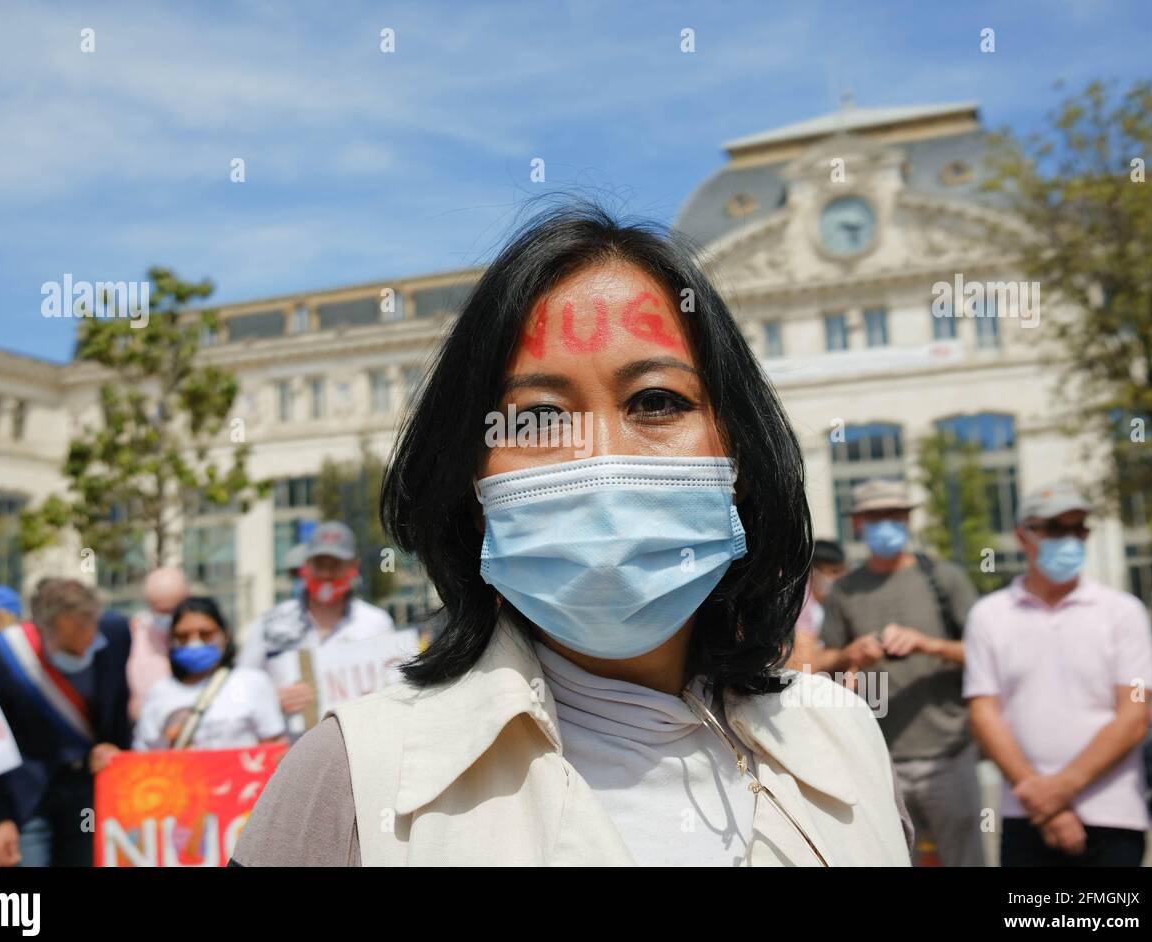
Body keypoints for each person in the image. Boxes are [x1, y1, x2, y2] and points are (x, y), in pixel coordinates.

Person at [233, 203, 912, 866]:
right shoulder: (354, 781)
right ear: (471, 489)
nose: (600, 462)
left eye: (656, 402)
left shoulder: (846, 744)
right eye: (537, 418)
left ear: (739, 460)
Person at [963, 483, 1152, 867]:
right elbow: (984, 713)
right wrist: (1044, 802)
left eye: (1078, 529)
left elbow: (1134, 713)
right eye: (1054, 529)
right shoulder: (989, 615)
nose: (1068, 540)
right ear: (1023, 535)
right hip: (1025, 812)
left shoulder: (1124, 612)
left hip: (1112, 814)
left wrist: (1057, 791)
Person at [817, 479, 985, 866]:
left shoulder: (944, 578)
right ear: (857, 523)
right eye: (874, 516)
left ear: (908, 519)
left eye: (894, 515)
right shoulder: (846, 590)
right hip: (878, 759)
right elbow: (821, 667)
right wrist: (851, 656)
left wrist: (929, 645)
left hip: (949, 753)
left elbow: (987, 654)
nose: (885, 524)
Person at [0, 578, 132, 867]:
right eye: (70, 648)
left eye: (88, 636)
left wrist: (115, 749)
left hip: (89, 790)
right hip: (28, 797)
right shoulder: (2, 654)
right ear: (41, 631)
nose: (83, 651)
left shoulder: (115, 633)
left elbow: (118, 707)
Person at [238, 521, 404, 737]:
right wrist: (273, 699)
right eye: (319, 564)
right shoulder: (272, 622)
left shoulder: (376, 623)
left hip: (356, 744)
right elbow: (241, 686)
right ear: (306, 566)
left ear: (354, 566)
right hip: (288, 748)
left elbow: (395, 686)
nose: (326, 573)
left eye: (335, 564)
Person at [134, 596, 286, 751]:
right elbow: (143, 754)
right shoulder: (159, 692)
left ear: (225, 636)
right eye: (182, 637)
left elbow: (274, 746)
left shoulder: (252, 682)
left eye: (205, 635)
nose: (194, 644)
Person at [127, 567, 189, 720]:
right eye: (161, 610)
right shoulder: (135, 635)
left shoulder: (203, 637)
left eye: (173, 610)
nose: (167, 617)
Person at [787, 539, 846, 671]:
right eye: (834, 571)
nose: (840, 577)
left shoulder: (838, 601)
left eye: (842, 571)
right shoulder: (800, 603)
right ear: (813, 572)